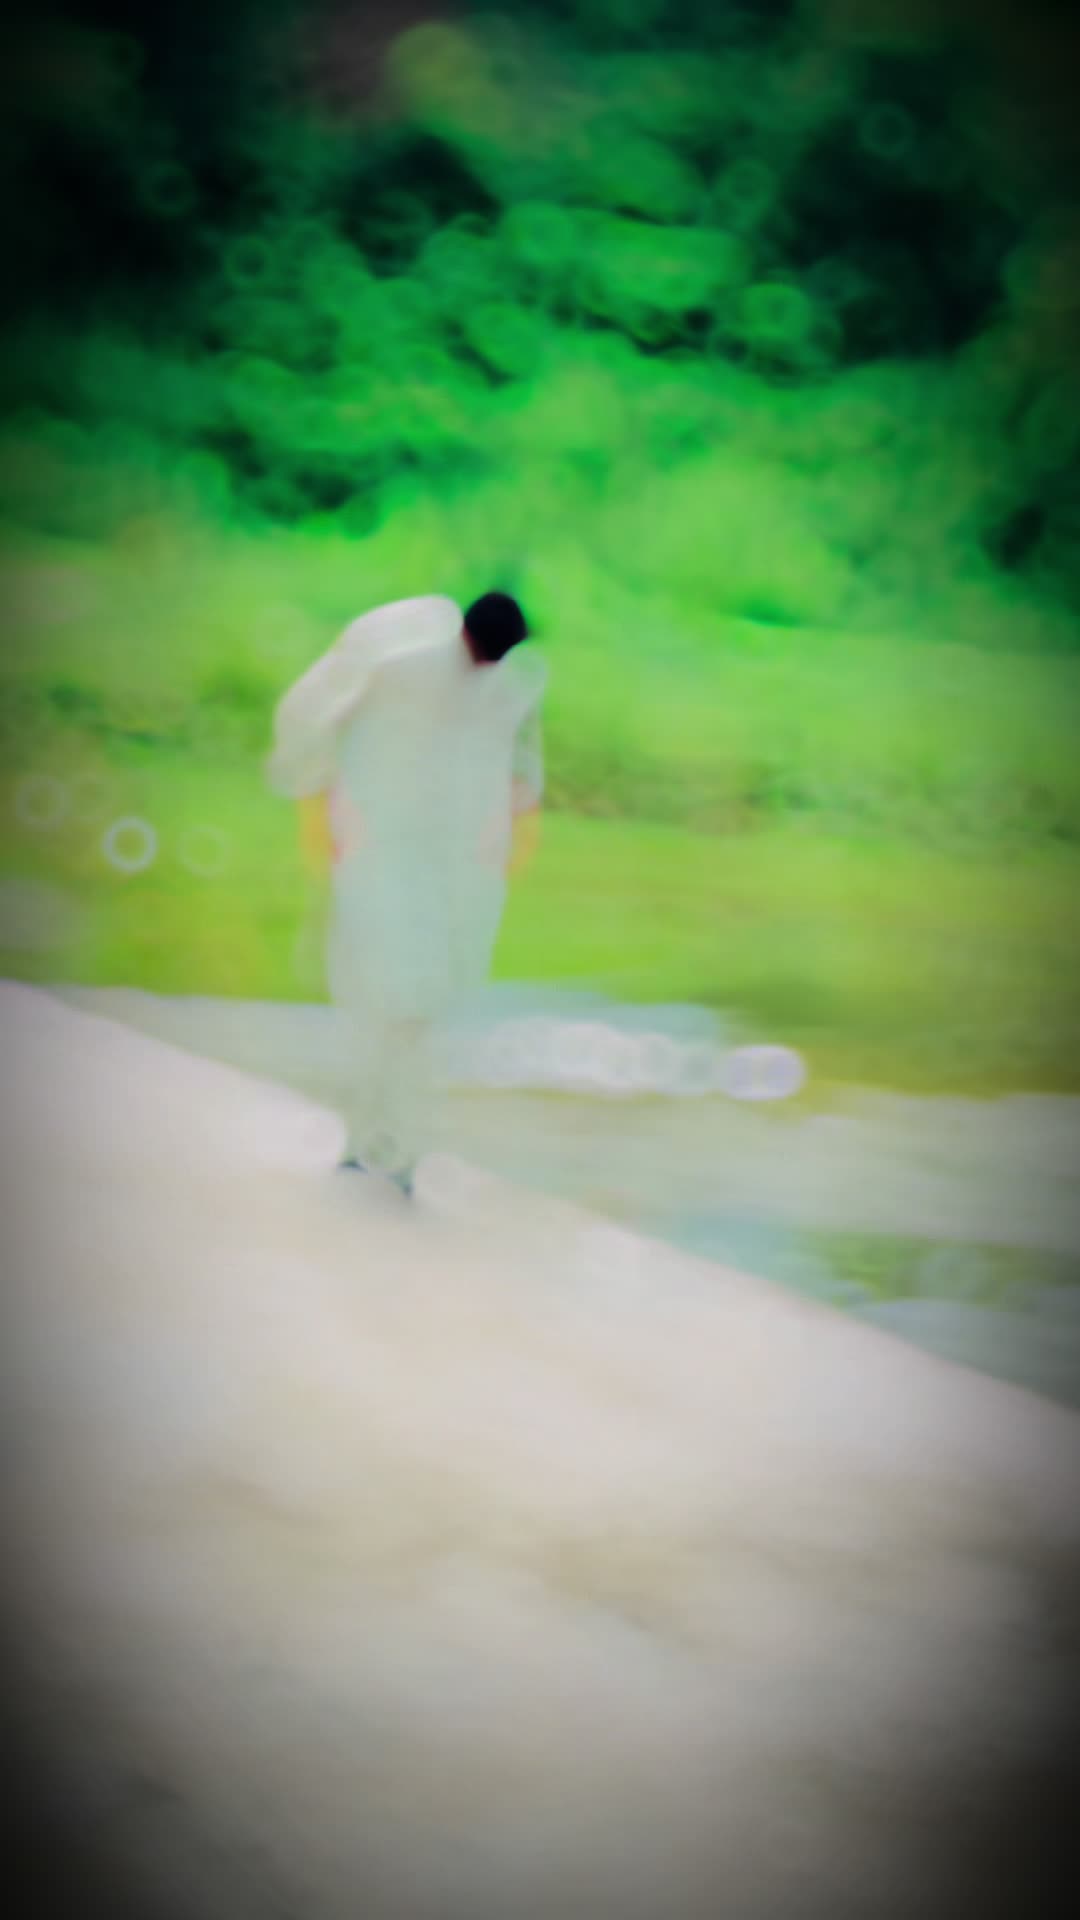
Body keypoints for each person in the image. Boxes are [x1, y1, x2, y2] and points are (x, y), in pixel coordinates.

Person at [266, 591, 547, 1194]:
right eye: (479, 654)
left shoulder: (513, 682)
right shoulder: (397, 646)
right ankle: (361, 1143)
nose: (483, 667)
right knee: (374, 994)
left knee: (428, 1003)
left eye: (495, 661)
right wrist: (317, 799)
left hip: (456, 865)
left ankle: (400, 1153)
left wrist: (514, 832)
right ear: (463, 632)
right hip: (377, 845)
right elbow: (307, 711)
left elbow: (523, 765)